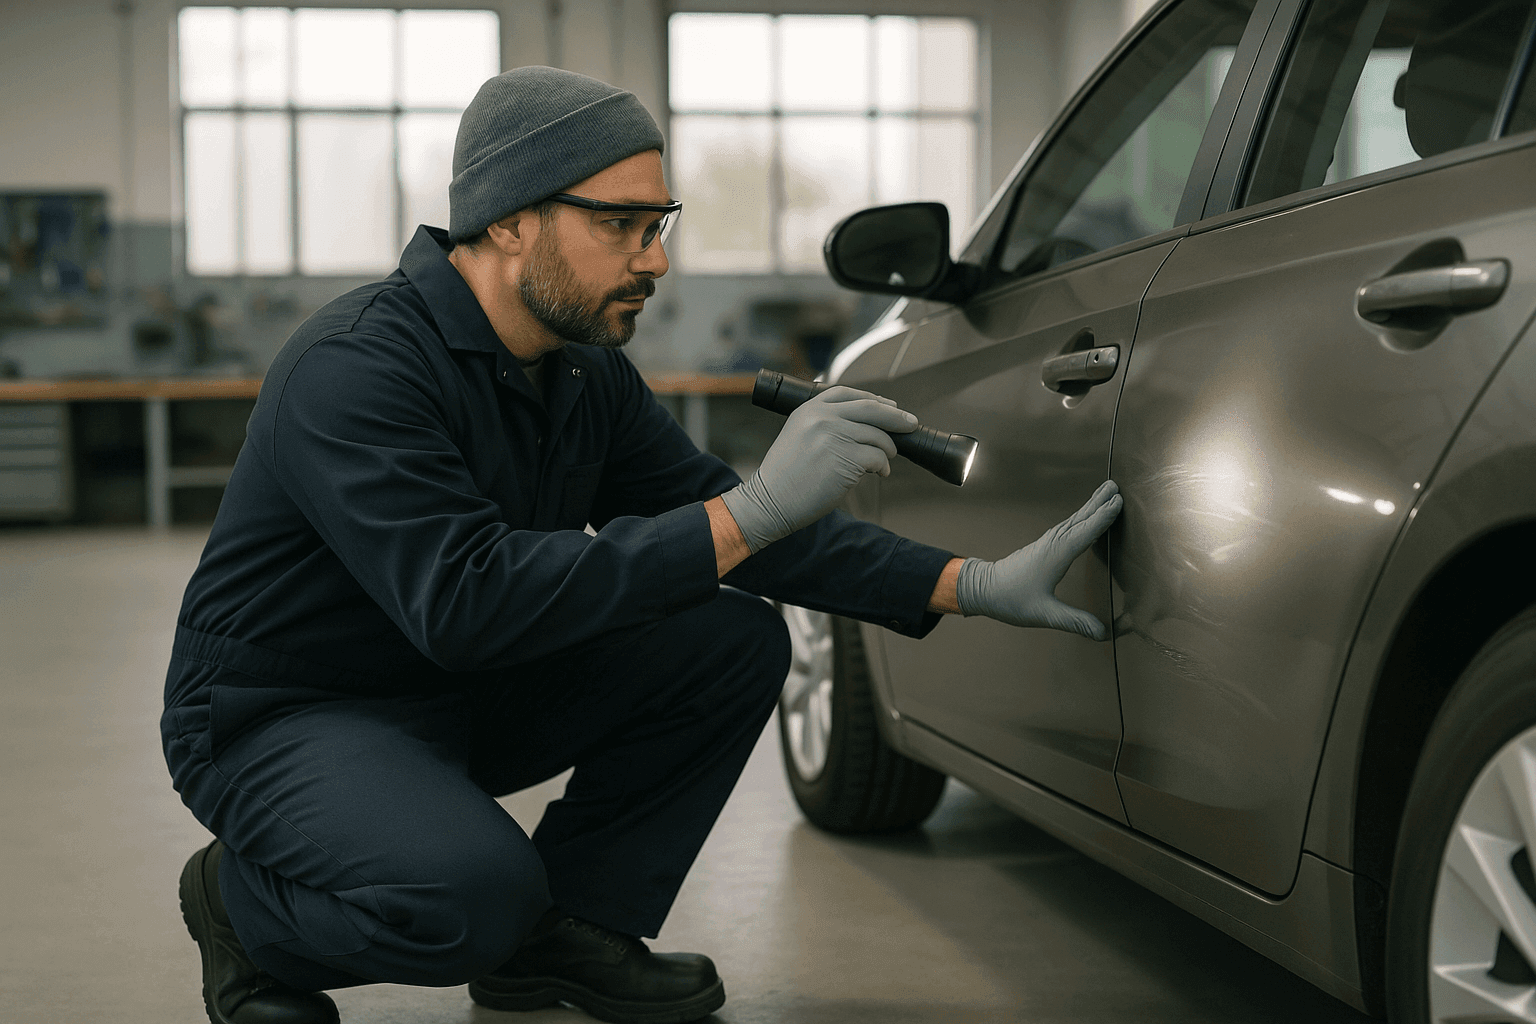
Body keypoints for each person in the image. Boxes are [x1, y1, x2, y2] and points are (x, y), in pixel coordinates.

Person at [163, 66, 1124, 1024]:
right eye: (618, 225)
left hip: (452, 691)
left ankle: (564, 935)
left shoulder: (579, 369)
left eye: (656, 224)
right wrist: (750, 510)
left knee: (728, 639)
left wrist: (971, 582)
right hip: (286, 713)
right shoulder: (356, 367)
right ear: (509, 221)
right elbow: (465, 600)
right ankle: (243, 914)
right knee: (471, 897)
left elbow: (732, 526)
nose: (654, 260)